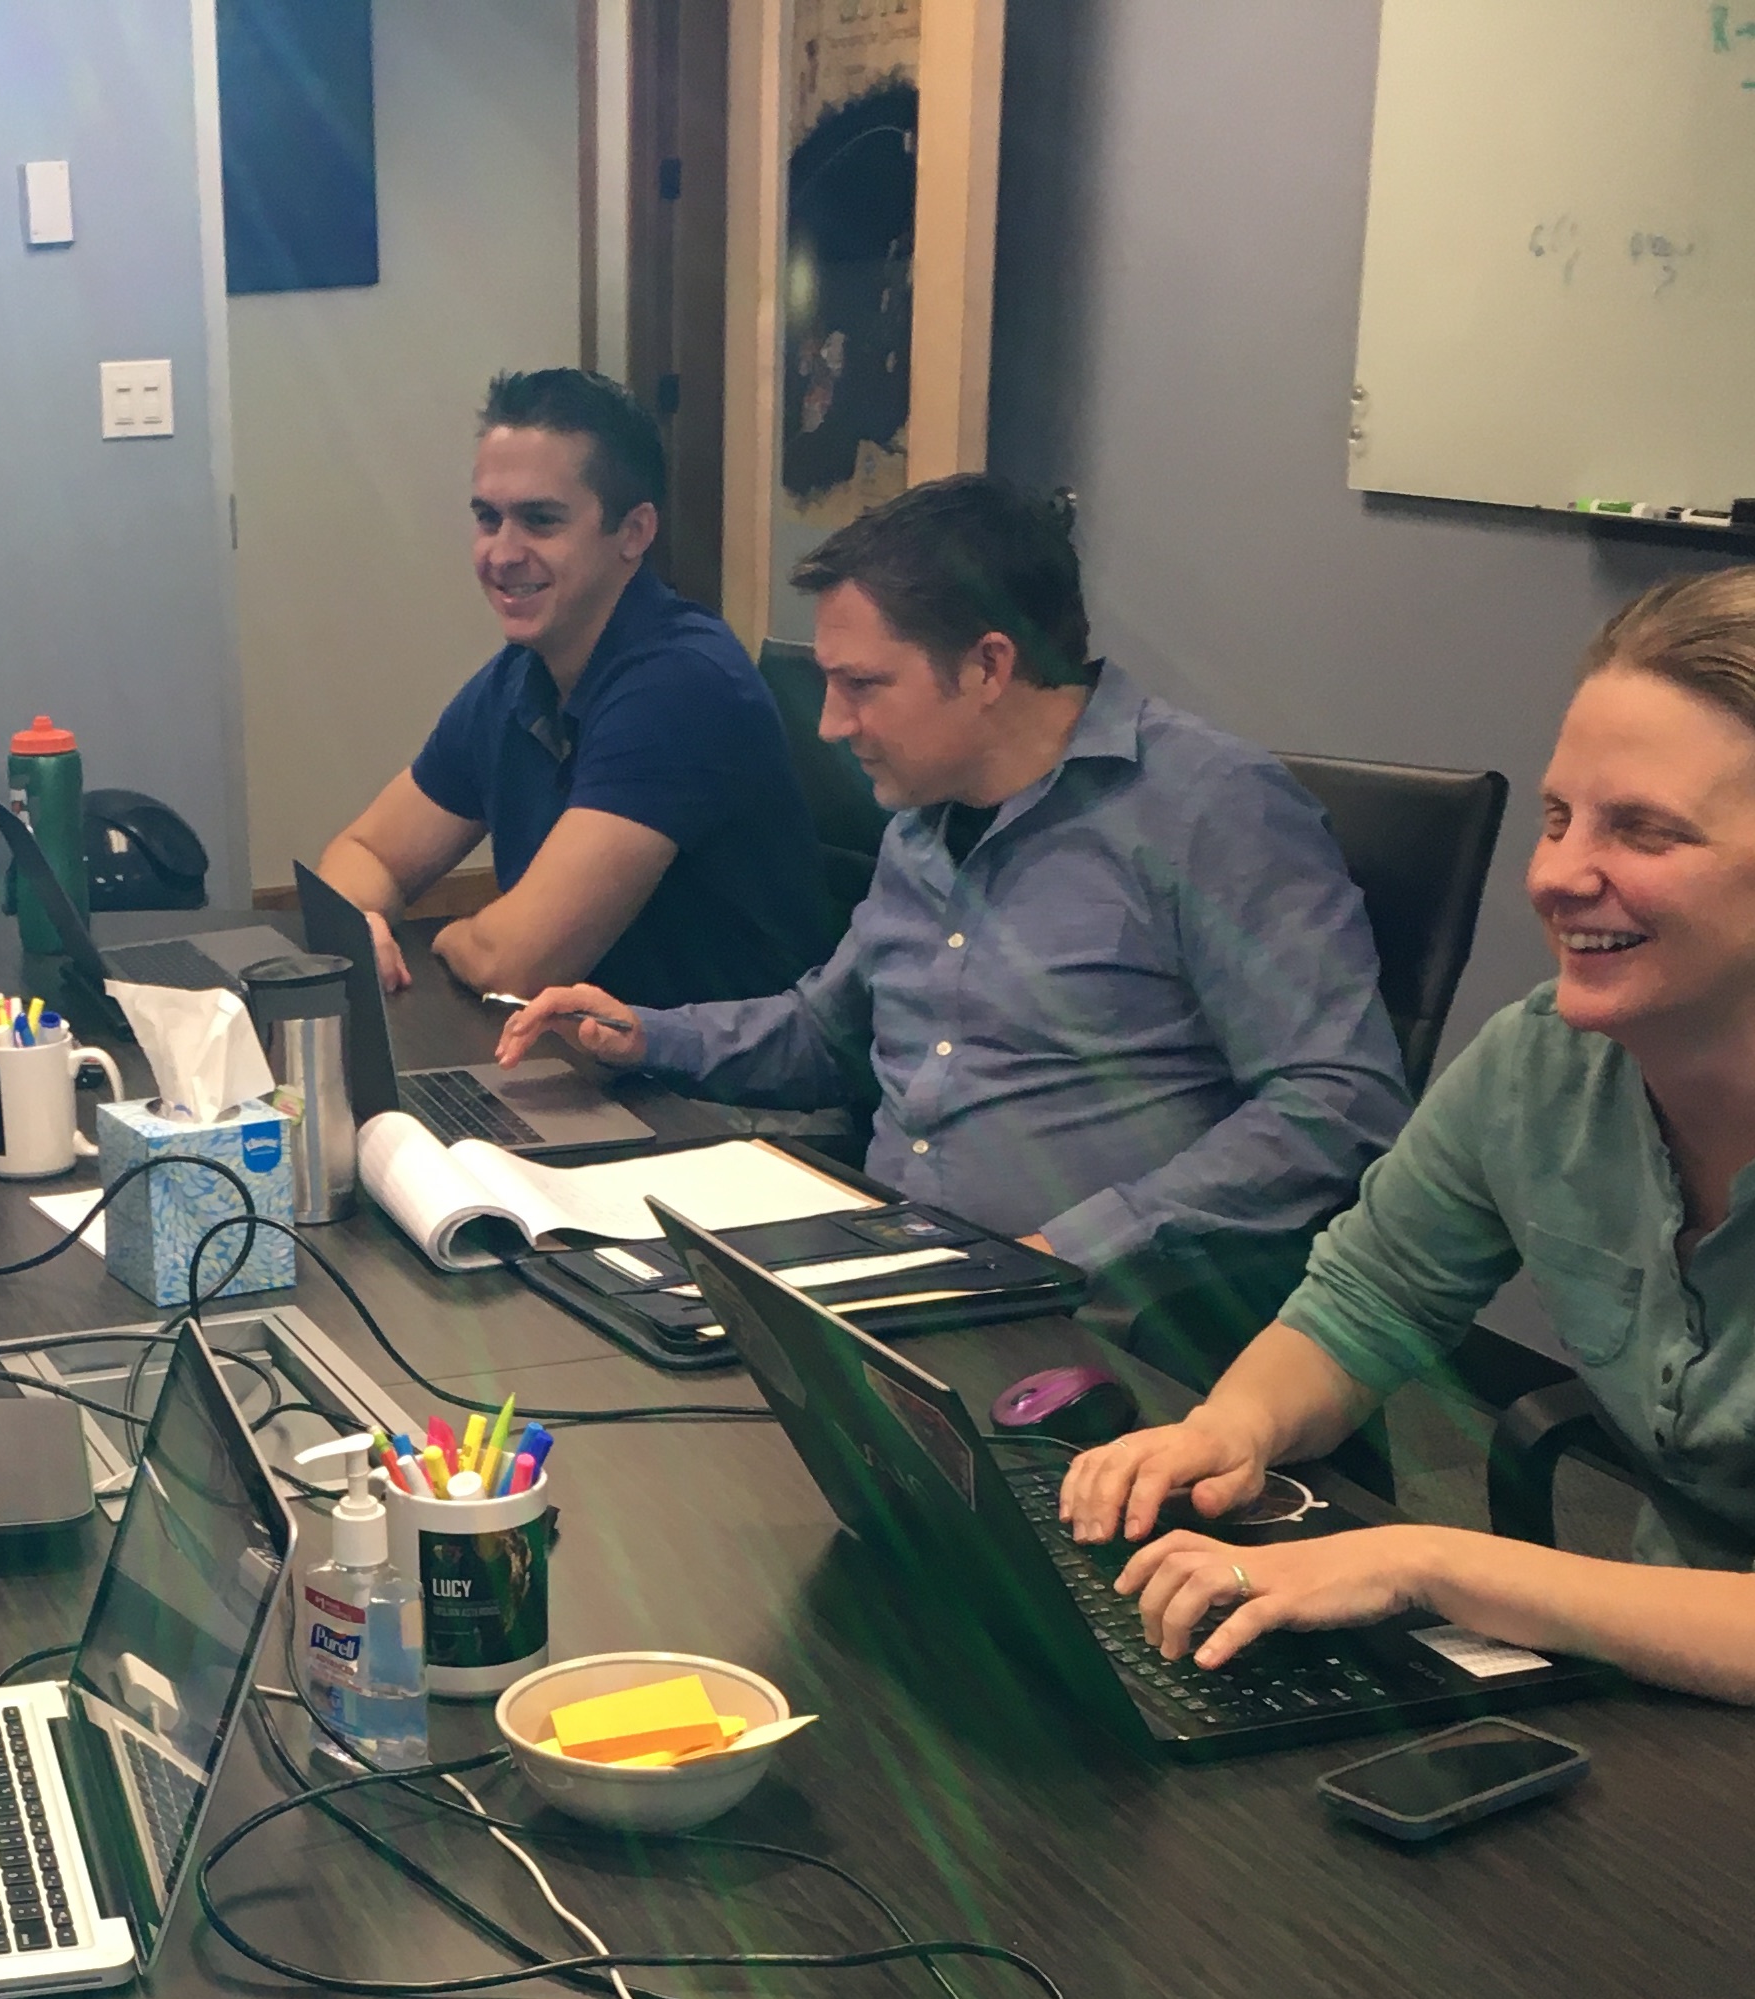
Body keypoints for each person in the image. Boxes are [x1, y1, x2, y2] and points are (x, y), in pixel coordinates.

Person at [495, 476, 1409, 1345]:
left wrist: (1067, 1249)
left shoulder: (1213, 810)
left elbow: (1338, 1102)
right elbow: (830, 1033)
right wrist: (646, 1035)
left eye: (863, 685)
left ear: (987, 667)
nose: (831, 724)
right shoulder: (924, 819)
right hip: (892, 1275)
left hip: (1094, 1321)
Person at [1059, 567, 1755, 1702]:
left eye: (1643, 831)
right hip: (1665, 1687)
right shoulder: (1543, 1065)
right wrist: (1235, 1427)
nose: (1555, 875)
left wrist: (1430, 1563)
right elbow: (1369, 1301)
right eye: (1558, 818)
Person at [314, 367, 834, 1012]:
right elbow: (367, 853)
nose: (502, 554)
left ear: (634, 533)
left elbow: (518, 966)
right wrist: (361, 920)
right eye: (488, 518)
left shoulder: (683, 685)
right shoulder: (518, 677)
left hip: (714, 1071)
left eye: (540, 520)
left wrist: (443, 938)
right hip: (582, 1049)